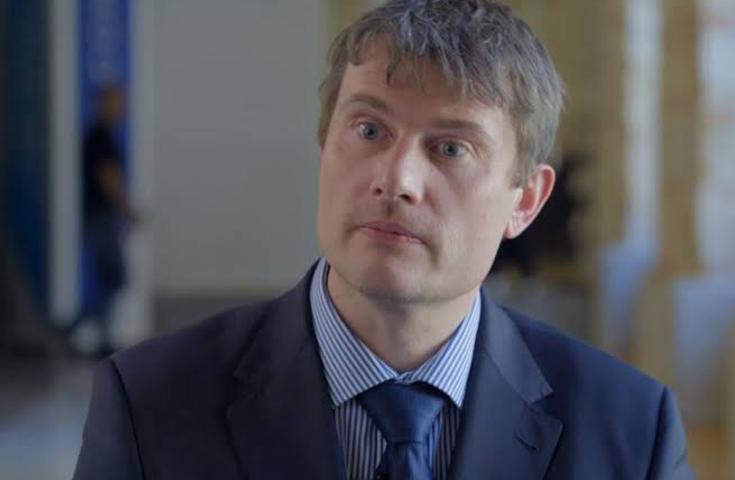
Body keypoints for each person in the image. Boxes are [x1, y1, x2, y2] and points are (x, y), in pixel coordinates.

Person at [73, 1, 693, 478]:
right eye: (369, 129)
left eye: (451, 148)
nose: (397, 180)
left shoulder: (632, 432)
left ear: (525, 200)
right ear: (325, 146)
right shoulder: (150, 405)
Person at [66, 85, 135, 357]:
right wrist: (126, 210)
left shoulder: (100, 136)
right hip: (101, 216)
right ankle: (79, 328)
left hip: (99, 215)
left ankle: (91, 331)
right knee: (115, 277)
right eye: (117, 101)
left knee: (110, 279)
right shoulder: (100, 137)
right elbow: (108, 178)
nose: (121, 108)